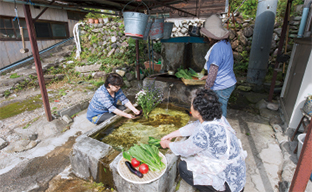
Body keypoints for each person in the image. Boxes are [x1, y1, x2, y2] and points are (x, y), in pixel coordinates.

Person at [160, 89, 247, 192]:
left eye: (192, 105)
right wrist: (171, 134)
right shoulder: (218, 117)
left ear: (198, 113)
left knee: (183, 168)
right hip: (237, 175)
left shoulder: (205, 131)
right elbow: (193, 126)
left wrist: (167, 144)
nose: (190, 107)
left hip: (228, 184)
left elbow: (184, 149)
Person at [199, 14, 236, 117]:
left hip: (222, 86)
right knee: (220, 108)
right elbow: (223, 65)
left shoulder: (217, 48)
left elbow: (214, 70)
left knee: (220, 111)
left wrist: (207, 87)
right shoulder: (225, 43)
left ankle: (222, 129)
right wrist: (207, 76)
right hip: (229, 82)